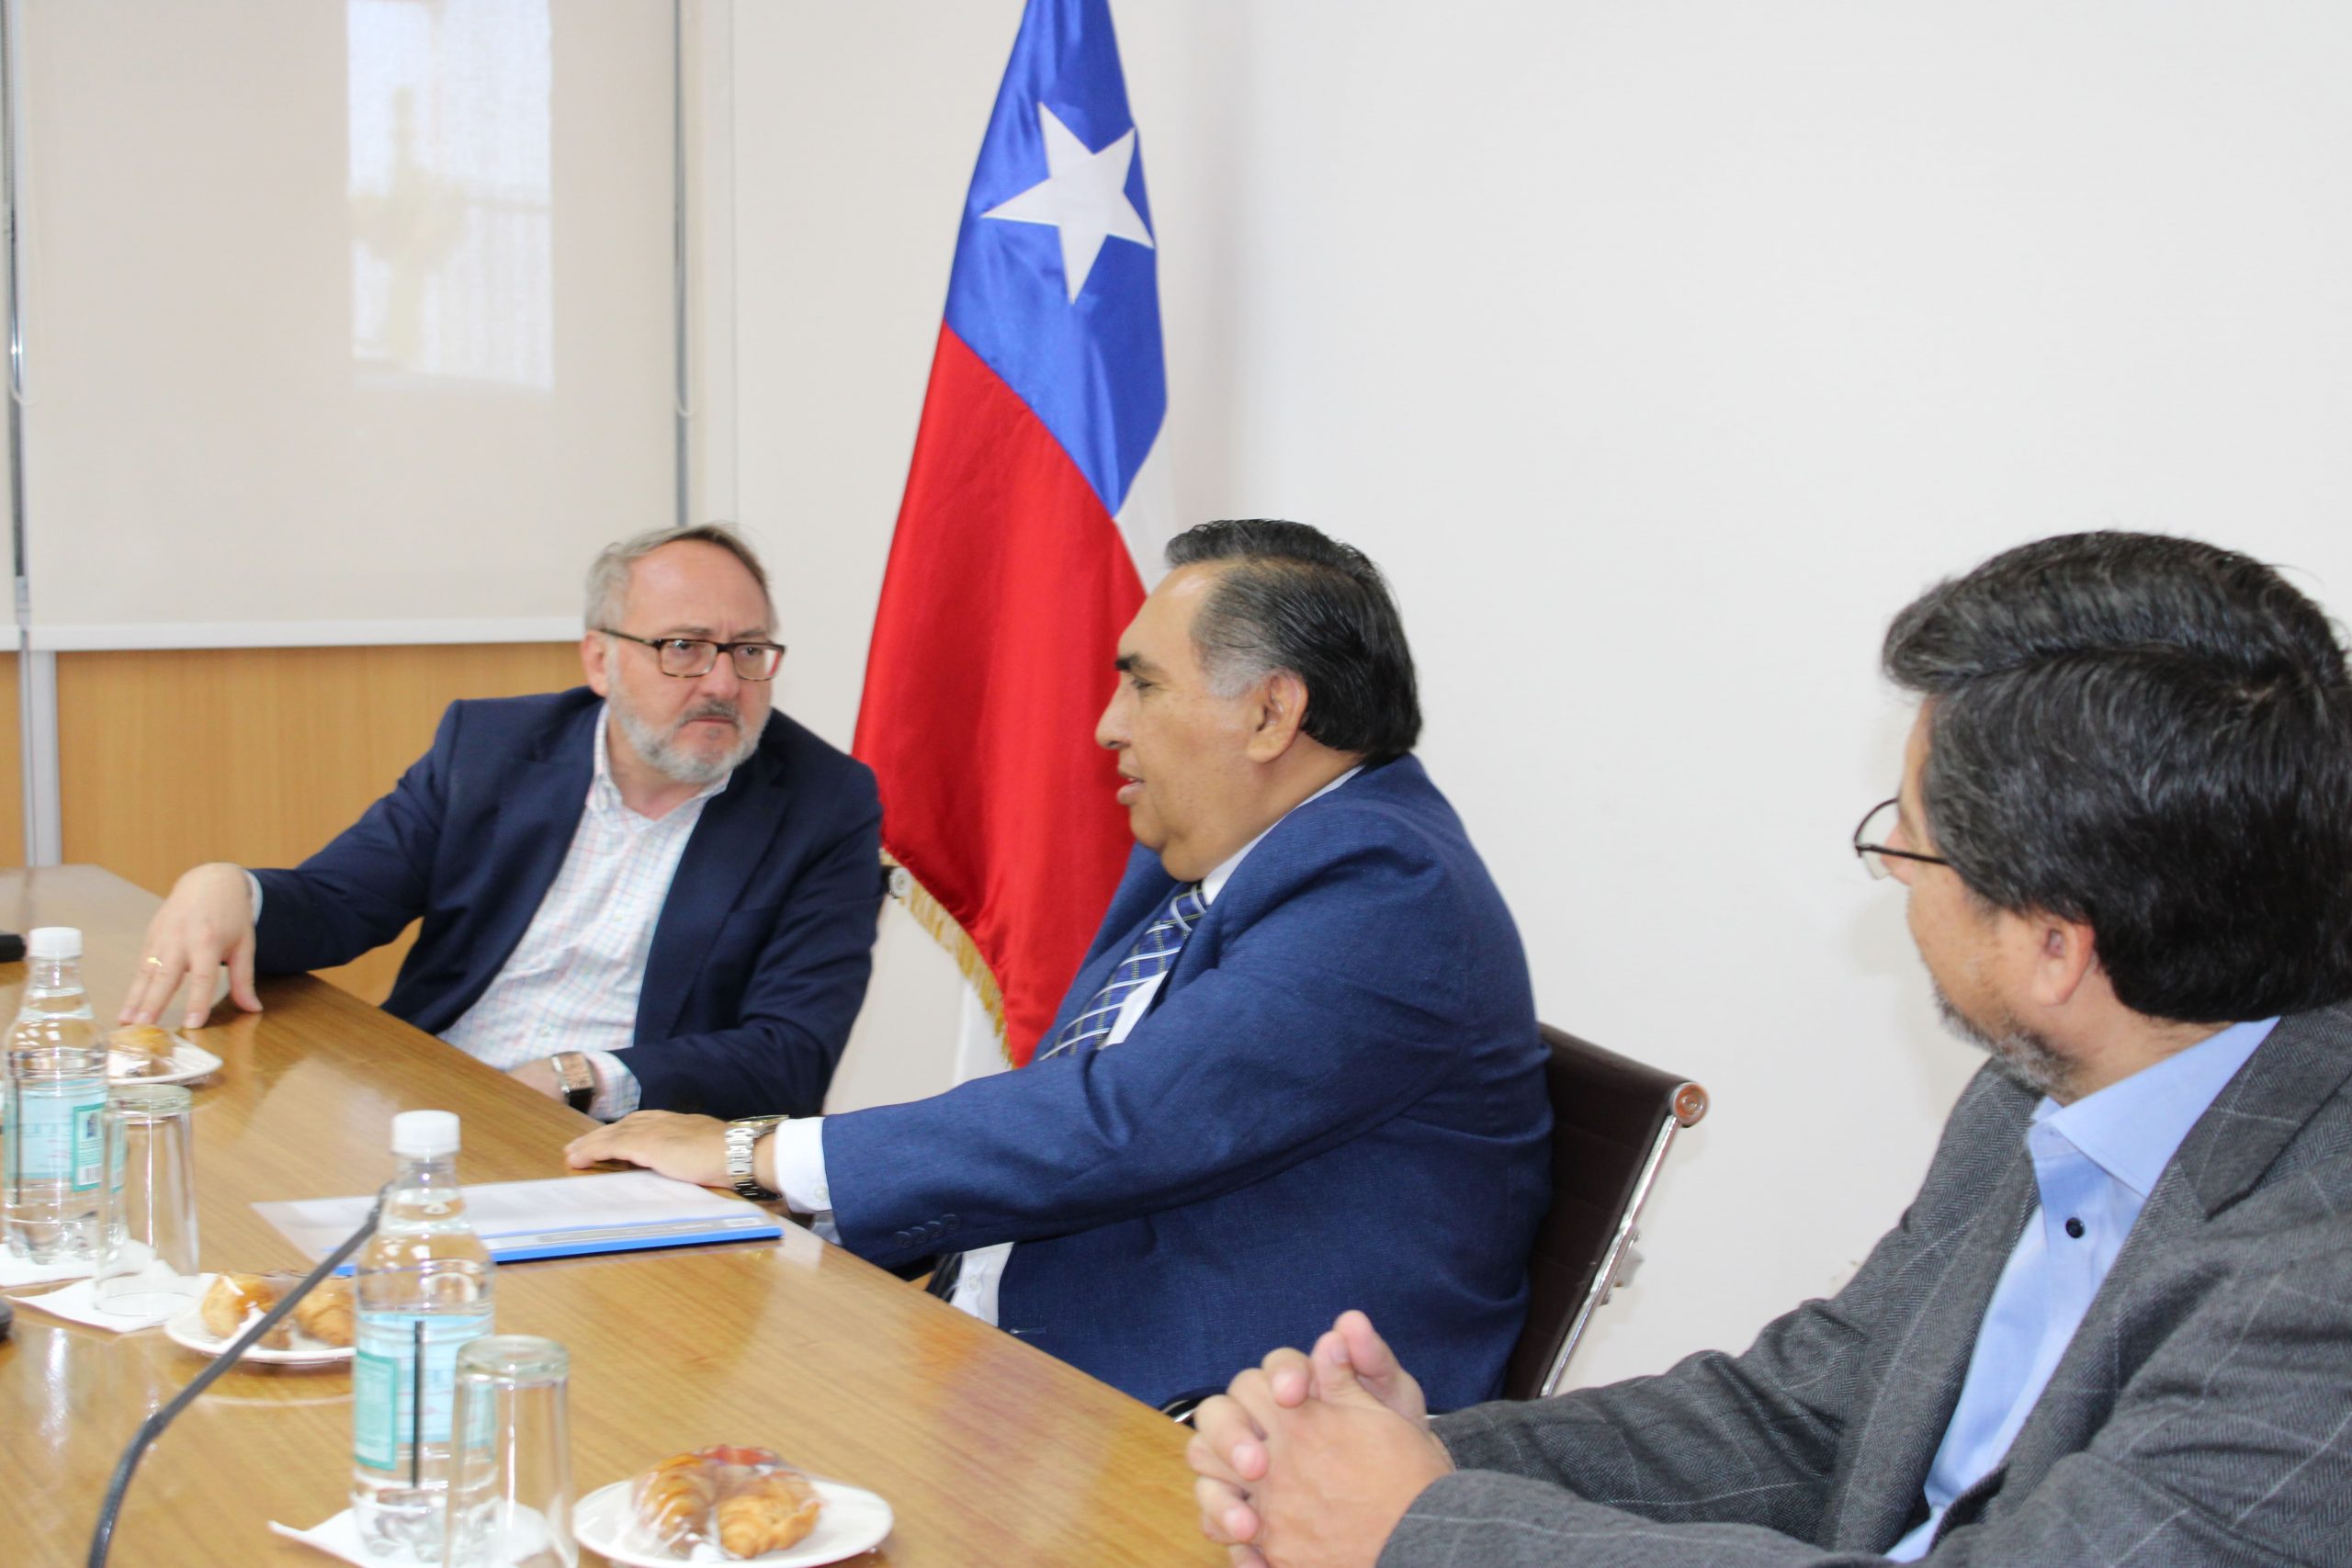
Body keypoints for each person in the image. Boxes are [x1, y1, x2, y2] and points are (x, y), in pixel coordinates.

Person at [1186, 530, 2352, 1568]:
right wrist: (1416, 1458)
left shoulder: (2317, 1291)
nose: (1890, 866)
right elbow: (1805, 1419)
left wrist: (1423, 1527)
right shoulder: (2040, 1090)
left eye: (1913, 838)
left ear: (2056, 946)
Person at [566, 520, 1552, 1410]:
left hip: (1207, 1420)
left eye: (1144, 684)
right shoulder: (1209, 855)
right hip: (1023, 1349)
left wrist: (756, 1154)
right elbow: (1073, 1118)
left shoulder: (1386, 888)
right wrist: (777, 1208)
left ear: (1271, 713)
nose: (1107, 725)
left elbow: (1121, 1119)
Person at [119, 524, 885, 1123]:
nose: (722, 681)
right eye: (682, 647)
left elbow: (791, 1054)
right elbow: (339, 904)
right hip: (428, 1101)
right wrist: (232, 887)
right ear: (599, 660)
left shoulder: (824, 803)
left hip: (620, 1141)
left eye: (747, 650)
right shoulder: (491, 749)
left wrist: (579, 1077)